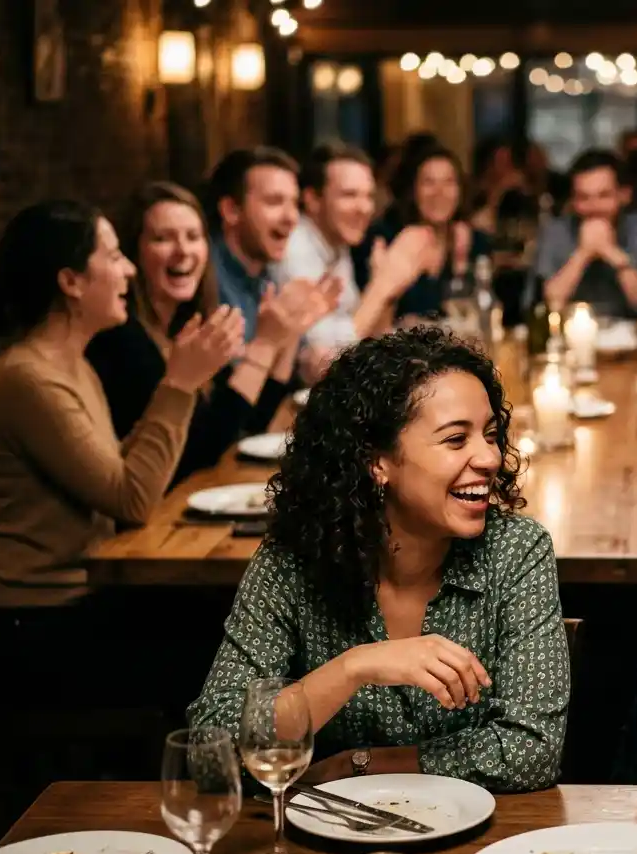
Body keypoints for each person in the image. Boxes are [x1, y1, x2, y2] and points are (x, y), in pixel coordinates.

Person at [188, 328, 569, 792]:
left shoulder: (515, 551)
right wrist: (354, 668)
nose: (488, 457)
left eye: (490, 435)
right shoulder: (295, 560)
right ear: (377, 461)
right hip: (324, 839)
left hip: (477, 844)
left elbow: (533, 750)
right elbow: (212, 747)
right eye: (455, 440)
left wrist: (363, 764)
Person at [0, 200, 238, 713]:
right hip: (33, 625)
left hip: (77, 602)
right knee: (223, 656)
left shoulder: (72, 365)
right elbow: (132, 499)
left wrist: (180, 381)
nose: (128, 269)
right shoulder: (27, 379)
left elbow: (119, 473)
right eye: (113, 256)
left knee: (233, 627)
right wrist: (179, 383)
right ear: (70, 281)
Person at [87, 182, 325, 483]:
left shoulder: (184, 327)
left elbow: (251, 423)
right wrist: (264, 345)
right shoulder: (124, 340)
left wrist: (287, 335)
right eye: (163, 238)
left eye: (193, 237)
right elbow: (204, 450)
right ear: (134, 252)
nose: (183, 251)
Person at [276, 143, 431, 378]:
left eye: (368, 196)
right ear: (313, 199)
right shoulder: (294, 248)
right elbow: (330, 357)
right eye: (349, 195)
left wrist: (388, 294)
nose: (364, 208)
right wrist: (381, 286)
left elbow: (368, 340)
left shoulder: (337, 244)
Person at [527, 149, 637, 319]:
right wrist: (583, 254)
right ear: (573, 201)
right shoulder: (555, 232)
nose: (593, 206)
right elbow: (544, 307)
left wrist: (612, 253)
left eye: (604, 196)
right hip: (569, 337)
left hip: (633, 338)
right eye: (583, 197)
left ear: (624, 195)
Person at [208, 146, 335, 344]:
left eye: (294, 203)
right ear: (231, 210)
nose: (291, 217)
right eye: (274, 202)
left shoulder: (266, 277)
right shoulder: (207, 281)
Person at [368, 144, 492, 322]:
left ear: (460, 191)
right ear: (413, 191)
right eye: (428, 182)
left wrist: (461, 264)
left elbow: (483, 314)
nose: (439, 192)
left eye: (449, 182)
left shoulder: (476, 242)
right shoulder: (389, 240)